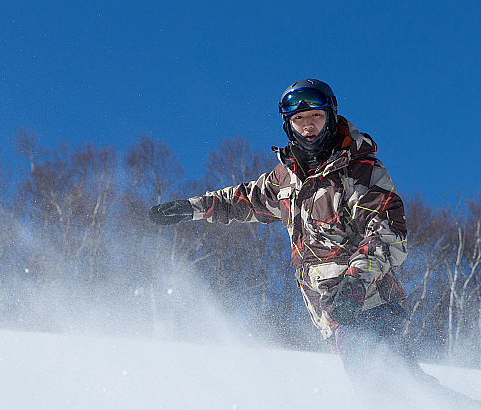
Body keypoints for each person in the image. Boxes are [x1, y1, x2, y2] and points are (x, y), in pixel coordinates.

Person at [149, 79, 428, 388]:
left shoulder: (360, 171)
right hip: (334, 315)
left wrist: (355, 283)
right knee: (407, 388)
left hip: (369, 304)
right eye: (299, 120)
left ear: (331, 117)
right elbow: (242, 200)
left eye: (315, 117)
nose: (307, 126)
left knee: (389, 391)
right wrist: (192, 208)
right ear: (288, 125)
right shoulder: (287, 180)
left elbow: (388, 235)